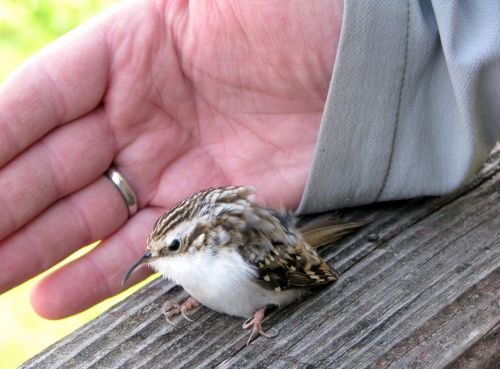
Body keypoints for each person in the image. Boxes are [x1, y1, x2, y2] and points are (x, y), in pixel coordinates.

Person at [0, 1, 498, 320]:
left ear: (199, 241)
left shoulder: (244, 259)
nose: (151, 262)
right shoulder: (200, 263)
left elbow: (305, 275)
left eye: (169, 248)